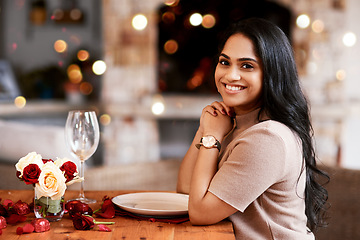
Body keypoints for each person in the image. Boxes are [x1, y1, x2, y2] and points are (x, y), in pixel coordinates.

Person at [176, 18, 329, 239]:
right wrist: (206, 127)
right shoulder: (235, 122)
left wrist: (211, 136)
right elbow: (186, 190)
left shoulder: (267, 138)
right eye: (225, 62)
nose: (230, 75)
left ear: (272, 74)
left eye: (247, 65)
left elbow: (199, 213)